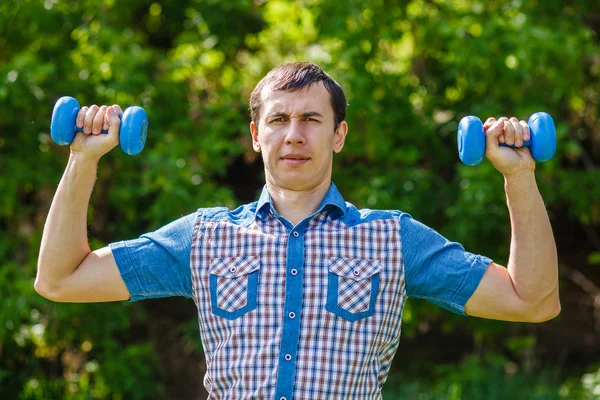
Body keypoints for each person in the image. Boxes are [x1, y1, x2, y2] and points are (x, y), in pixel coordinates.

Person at [36, 62, 560, 399]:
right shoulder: (204, 238)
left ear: (339, 135)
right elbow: (60, 279)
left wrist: (518, 174)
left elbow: (532, 301)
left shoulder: (393, 239)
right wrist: (83, 159)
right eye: (278, 120)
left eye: (312, 119)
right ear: (255, 136)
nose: (294, 135)